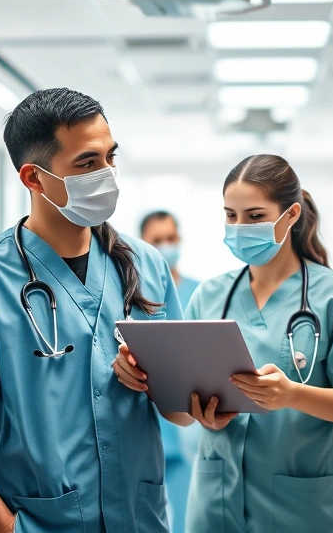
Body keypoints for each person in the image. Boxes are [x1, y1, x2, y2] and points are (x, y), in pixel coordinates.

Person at [0, 88, 187, 533]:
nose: (108, 174)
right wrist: (3, 526)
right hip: (37, 521)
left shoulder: (146, 264)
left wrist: (192, 399)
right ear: (33, 178)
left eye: (111, 157)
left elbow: (179, 409)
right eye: (88, 163)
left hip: (139, 517)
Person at [117, 154, 333, 532]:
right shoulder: (210, 296)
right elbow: (179, 414)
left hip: (300, 508)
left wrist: (292, 395)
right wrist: (152, 380)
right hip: (216, 506)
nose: (240, 227)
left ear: (291, 215)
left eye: (255, 216)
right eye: (231, 215)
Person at [139, 210, 203, 533]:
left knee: (187, 515)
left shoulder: (200, 292)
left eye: (171, 238)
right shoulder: (134, 295)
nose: (166, 246)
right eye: (156, 240)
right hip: (147, 422)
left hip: (190, 427)